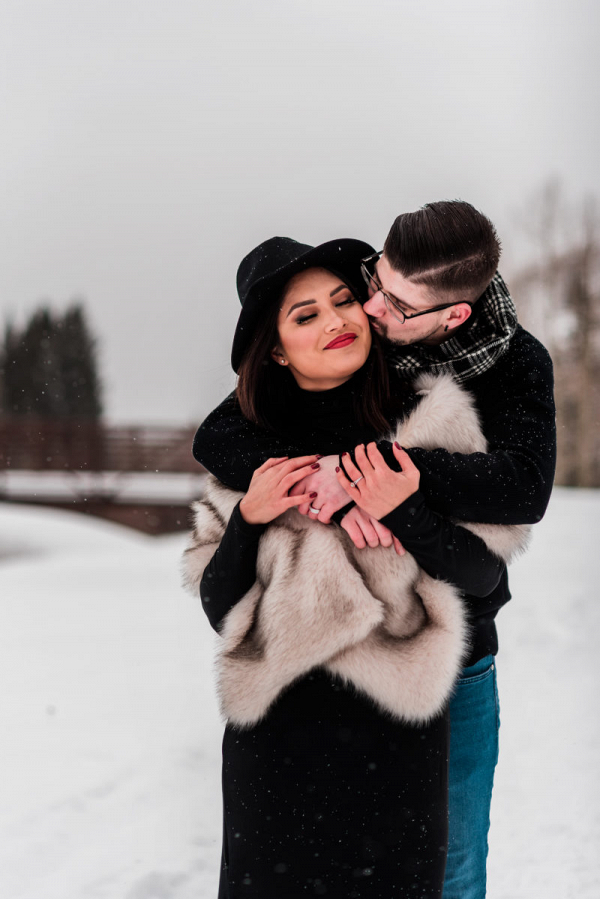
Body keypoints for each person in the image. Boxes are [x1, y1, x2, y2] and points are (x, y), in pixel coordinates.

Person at [191, 203, 557, 899]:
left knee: (451, 869)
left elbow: (522, 494)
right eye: (373, 284)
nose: (364, 308)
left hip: (444, 672)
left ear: (449, 317)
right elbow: (221, 436)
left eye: (385, 301)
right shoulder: (355, 340)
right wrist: (289, 490)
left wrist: (389, 483)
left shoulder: (491, 381)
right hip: (289, 720)